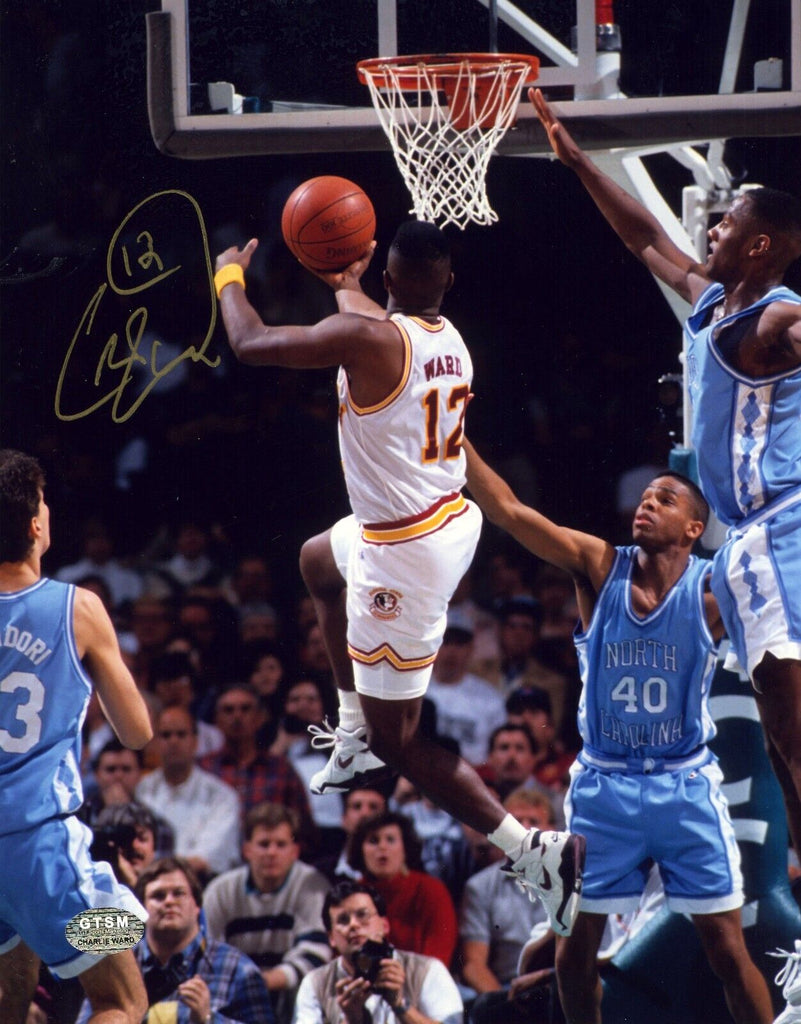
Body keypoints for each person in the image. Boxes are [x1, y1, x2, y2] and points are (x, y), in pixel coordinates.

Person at [215, 220, 584, 937]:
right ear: (445, 283)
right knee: (316, 561)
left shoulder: (370, 337)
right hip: (438, 516)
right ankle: (351, 723)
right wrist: (346, 287)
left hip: (403, 555)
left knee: (401, 742)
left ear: (388, 280)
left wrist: (229, 275)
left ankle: (533, 850)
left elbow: (249, 342)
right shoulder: (447, 339)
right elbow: (372, 330)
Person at [529, 88, 801, 854]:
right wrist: (578, 162)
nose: (711, 228)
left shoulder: (775, 315)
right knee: (780, 744)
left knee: (793, 735)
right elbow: (643, 235)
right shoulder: (712, 300)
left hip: (782, 527)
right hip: (747, 540)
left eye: (726, 223)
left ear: (759, 245)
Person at [464, 439, 774, 1023]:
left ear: (694, 529)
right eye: (646, 496)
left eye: (665, 499)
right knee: (572, 953)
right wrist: (455, 441)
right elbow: (507, 510)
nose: (647, 504)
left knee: (727, 949)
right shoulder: (599, 564)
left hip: (683, 783)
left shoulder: (712, 592)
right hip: (605, 786)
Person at [0, 449, 152, 1024]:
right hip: (40, 847)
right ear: (35, 526)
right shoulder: (77, 607)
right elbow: (136, 733)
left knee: (11, 996)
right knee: (123, 999)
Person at [76, 856, 275, 1024]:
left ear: (197, 906)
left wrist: (209, 1019)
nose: (169, 901)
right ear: (140, 908)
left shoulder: (239, 970)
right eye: (158, 896)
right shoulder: (118, 965)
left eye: (178, 893)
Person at [202, 803, 332, 1024]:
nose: (272, 852)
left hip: (291, 994)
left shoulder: (312, 886)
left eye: (281, 844)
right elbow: (207, 953)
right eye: (264, 844)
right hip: (233, 993)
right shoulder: (220, 891)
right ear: (247, 850)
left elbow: (315, 954)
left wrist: (265, 981)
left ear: (294, 851)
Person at [293, 879, 464, 1024]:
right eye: (343, 920)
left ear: (384, 925)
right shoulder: (315, 983)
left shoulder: (427, 970)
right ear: (331, 938)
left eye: (362, 915)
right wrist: (351, 1020)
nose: (353, 925)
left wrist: (400, 1005)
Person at [459, 788, 555, 1015]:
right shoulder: (479, 886)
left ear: (552, 831)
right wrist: (510, 1007)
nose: (524, 829)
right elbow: (474, 965)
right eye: (517, 822)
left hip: (557, 982)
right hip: (505, 988)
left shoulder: (572, 881)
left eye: (533, 821)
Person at [136, 704, 242, 880]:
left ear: (195, 741)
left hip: (203, 884)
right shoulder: (143, 790)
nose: (173, 741)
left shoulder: (221, 796)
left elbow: (205, 860)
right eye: (166, 735)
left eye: (181, 734)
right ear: (154, 742)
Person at [347, 811, 458, 969]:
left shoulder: (431, 890)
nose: (382, 847)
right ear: (360, 850)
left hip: (423, 979)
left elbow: (438, 959)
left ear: (405, 848)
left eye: (390, 840)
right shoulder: (350, 896)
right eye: (373, 840)